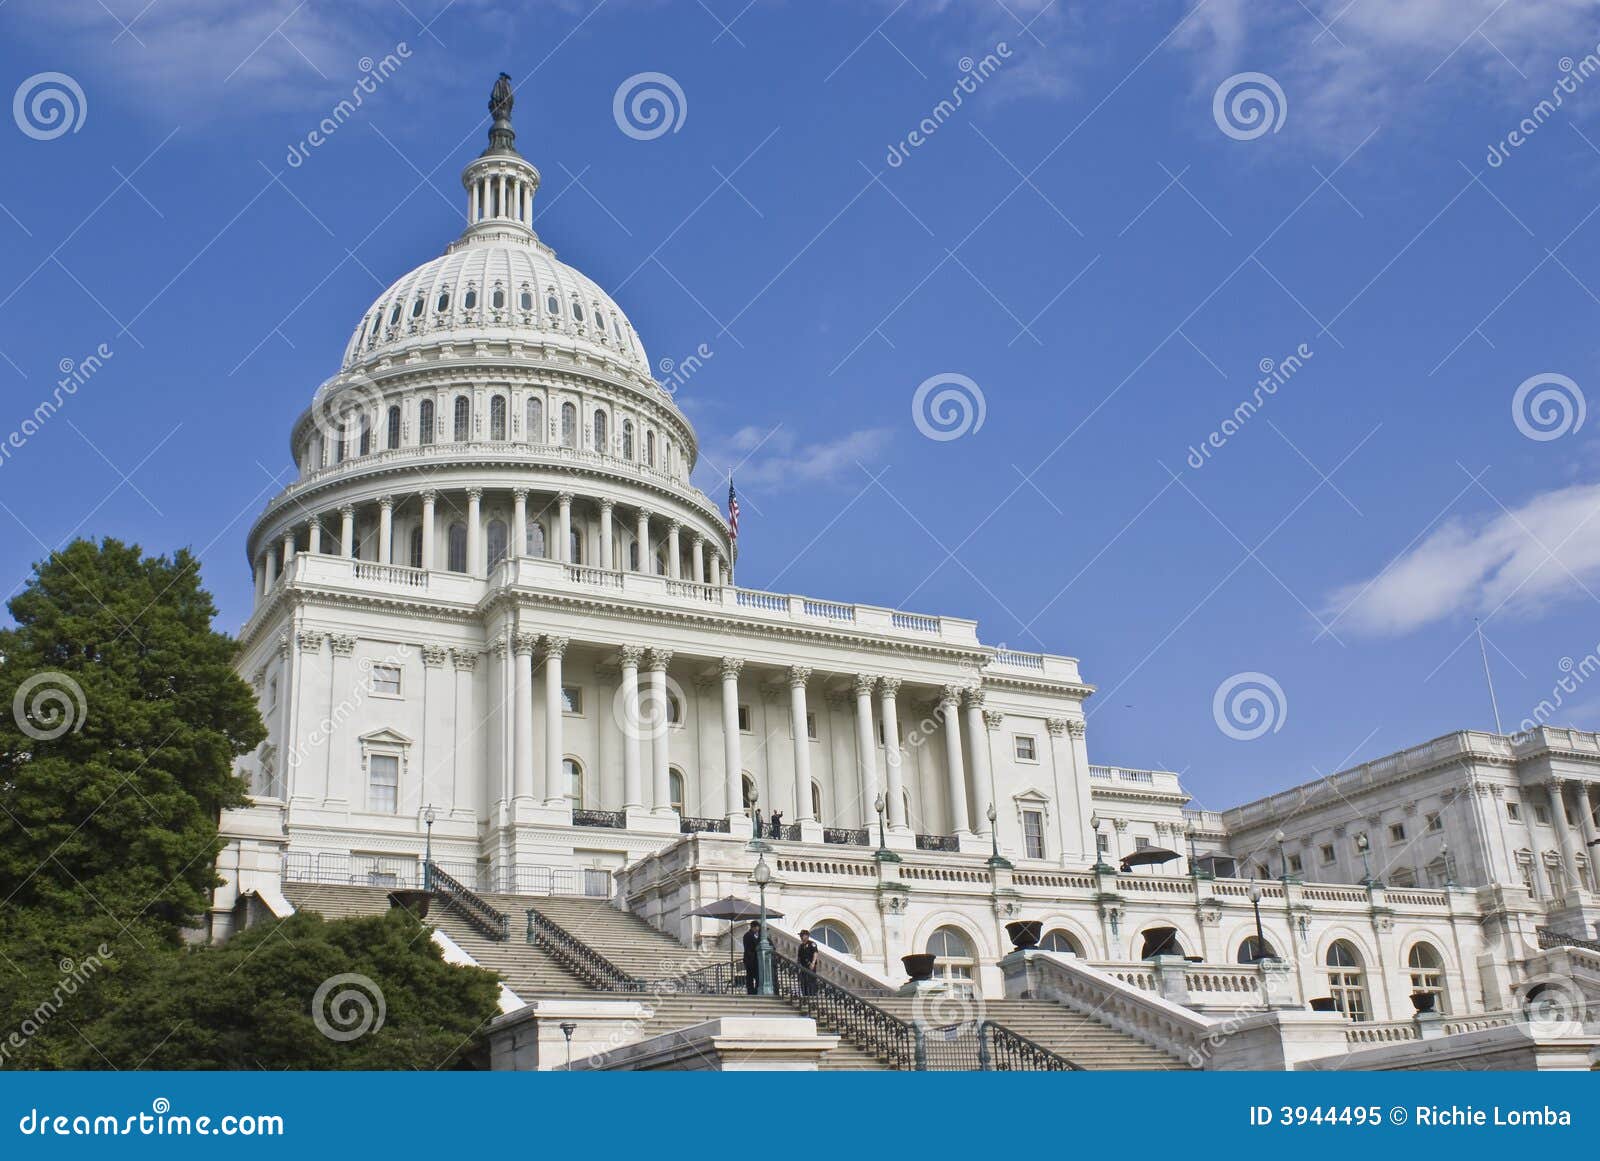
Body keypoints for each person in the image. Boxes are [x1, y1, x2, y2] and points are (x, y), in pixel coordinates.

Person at [797, 928, 820, 996]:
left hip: (810, 966)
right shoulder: (801, 946)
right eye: (800, 935)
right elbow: (799, 957)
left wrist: (813, 963)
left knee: (811, 980)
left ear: (806, 936)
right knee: (803, 981)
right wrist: (798, 965)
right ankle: (805, 994)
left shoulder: (812, 944)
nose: (800, 937)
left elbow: (815, 953)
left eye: (802, 935)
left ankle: (812, 994)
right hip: (803, 966)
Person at [742, 920, 761, 995]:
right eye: (757, 927)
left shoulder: (752, 935)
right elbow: (751, 947)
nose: (758, 929)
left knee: (754, 976)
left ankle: (754, 991)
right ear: (754, 927)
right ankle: (751, 991)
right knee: (751, 976)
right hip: (750, 959)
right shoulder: (748, 935)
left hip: (753, 959)